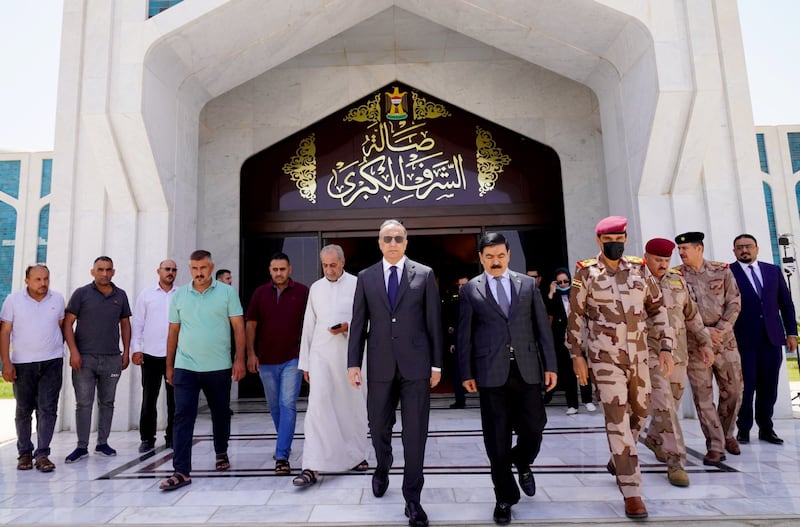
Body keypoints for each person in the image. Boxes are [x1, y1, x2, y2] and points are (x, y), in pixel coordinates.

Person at [567, 216, 673, 520]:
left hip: (639, 356)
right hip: (604, 359)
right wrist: (577, 355)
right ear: (600, 241)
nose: (616, 244)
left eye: (621, 238)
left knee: (640, 413)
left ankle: (620, 458)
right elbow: (575, 316)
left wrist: (665, 346)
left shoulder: (639, 268)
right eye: (610, 239)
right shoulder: (586, 272)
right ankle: (632, 491)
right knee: (617, 419)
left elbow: (657, 307)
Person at [348, 219, 443, 527]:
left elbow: (434, 324)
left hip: (416, 367)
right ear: (379, 243)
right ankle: (383, 464)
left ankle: (412, 499)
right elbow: (359, 324)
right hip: (379, 366)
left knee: (415, 434)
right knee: (378, 428)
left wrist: (437, 364)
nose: (392, 242)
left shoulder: (425, 274)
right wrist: (353, 363)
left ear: (406, 242)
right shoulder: (366, 277)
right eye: (387, 238)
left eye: (398, 238)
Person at [457, 232, 557, 525]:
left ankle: (522, 460)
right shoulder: (470, 290)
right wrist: (466, 373)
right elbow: (465, 335)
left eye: (500, 255)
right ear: (481, 258)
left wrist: (550, 365)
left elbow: (542, 329)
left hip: (527, 370)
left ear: (509, 255)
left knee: (535, 427)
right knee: (496, 441)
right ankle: (504, 497)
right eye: (489, 257)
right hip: (490, 375)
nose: (495, 261)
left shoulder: (526, 285)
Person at [159, 250, 249, 490]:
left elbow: (239, 328)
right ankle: (181, 471)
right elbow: (173, 332)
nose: (199, 273)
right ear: (190, 269)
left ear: (211, 267)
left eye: (203, 268)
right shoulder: (179, 296)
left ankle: (221, 451)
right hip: (185, 366)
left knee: (220, 413)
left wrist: (240, 360)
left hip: (219, 367)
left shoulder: (227, 293)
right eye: (194, 269)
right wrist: (169, 366)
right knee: (182, 416)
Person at [292, 244, 369, 487]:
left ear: (343, 263)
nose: (329, 269)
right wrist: (305, 364)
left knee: (353, 407)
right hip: (321, 355)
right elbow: (308, 325)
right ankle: (312, 465)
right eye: (325, 265)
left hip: (351, 357)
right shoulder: (315, 288)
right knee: (318, 406)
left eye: (333, 265)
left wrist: (348, 327)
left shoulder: (358, 284)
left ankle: (356, 456)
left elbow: (369, 320)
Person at [642, 239, 714, 487]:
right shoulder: (634, 280)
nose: (662, 265)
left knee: (669, 404)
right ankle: (676, 463)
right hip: (650, 352)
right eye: (657, 260)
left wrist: (705, 342)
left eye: (666, 260)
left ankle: (652, 439)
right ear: (646, 256)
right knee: (664, 405)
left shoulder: (676, 279)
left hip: (678, 354)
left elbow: (691, 314)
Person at [674, 231, 743, 464]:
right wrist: (704, 332)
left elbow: (734, 302)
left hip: (725, 342)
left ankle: (726, 433)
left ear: (699, 249)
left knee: (733, 391)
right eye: (679, 249)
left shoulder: (721, 270)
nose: (681, 253)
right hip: (694, 344)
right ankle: (715, 445)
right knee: (703, 397)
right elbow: (677, 311)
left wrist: (720, 330)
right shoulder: (676, 277)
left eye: (685, 249)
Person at [63, 256, 132, 463]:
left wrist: (126, 351)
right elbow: (67, 324)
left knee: (107, 402)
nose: (104, 273)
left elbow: (125, 325)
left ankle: (103, 443)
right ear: (92, 272)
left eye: (108, 270)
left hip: (112, 358)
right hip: (84, 359)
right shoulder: (81, 294)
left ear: (113, 272)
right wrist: (74, 352)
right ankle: (81, 446)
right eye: (100, 269)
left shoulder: (120, 295)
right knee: (83, 403)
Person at [730, 234, 797, 445]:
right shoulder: (728, 273)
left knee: (769, 385)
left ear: (757, 248)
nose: (744, 250)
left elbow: (786, 304)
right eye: (739, 247)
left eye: (748, 246)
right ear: (734, 251)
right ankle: (743, 428)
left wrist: (791, 332)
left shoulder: (772, 271)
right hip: (743, 340)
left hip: (771, 338)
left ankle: (766, 428)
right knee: (746, 386)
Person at [246, 252, 309, 475]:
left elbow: (310, 324)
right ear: (270, 270)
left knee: (287, 404)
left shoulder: (303, 292)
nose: (279, 273)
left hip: (293, 358)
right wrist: (251, 354)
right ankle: (284, 442)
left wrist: (308, 357)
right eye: (275, 269)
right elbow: (251, 325)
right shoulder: (260, 293)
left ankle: (282, 455)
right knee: (274, 407)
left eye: (283, 269)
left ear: (290, 269)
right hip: (266, 361)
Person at [0, 264, 65, 473]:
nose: (43, 283)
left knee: (48, 408)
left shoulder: (57, 299)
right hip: (22, 363)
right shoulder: (13, 301)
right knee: (23, 409)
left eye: (46, 279)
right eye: (38, 279)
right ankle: (25, 453)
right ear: (27, 280)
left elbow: (63, 328)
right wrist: (6, 362)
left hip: (52, 362)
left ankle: (43, 454)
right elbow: (4, 333)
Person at [131, 259, 178, 452]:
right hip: (150, 354)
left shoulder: (181, 294)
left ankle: (173, 437)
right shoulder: (146, 295)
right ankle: (147, 438)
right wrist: (136, 348)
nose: (170, 272)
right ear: (158, 271)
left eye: (174, 270)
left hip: (175, 355)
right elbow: (138, 324)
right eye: (167, 269)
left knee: (174, 399)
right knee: (149, 397)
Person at [545, 267, 596, 415]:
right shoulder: (554, 298)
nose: (562, 284)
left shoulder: (575, 291)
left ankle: (587, 400)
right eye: (559, 282)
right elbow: (548, 312)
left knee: (583, 369)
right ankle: (572, 404)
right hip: (563, 339)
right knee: (568, 373)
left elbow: (585, 299)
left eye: (565, 281)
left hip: (579, 337)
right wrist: (551, 292)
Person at [444, 276, 469, 409]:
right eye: (460, 285)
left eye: (464, 285)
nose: (461, 287)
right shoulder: (456, 304)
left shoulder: (480, 301)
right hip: (460, 343)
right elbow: (453, 325)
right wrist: (452, 342)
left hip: (477, 344)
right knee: (458, 373)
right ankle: (460, 400)